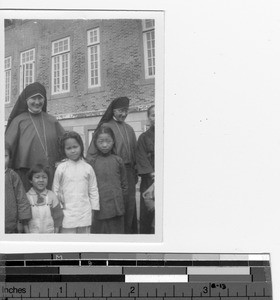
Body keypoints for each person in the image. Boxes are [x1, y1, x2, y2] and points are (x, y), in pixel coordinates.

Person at [86, 96, 138, 234]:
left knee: (129, 206)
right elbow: (92, 153)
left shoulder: (130, 129)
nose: (124, 114)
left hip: (129, 173)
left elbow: (135, 152)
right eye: (120, 110)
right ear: (113, 111)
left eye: (126, 110)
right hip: (110, 172)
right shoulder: (105, 127)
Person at [5, 82, 65, 192]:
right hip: (25, 175)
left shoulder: (52, 121)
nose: (37, 102)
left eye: (40, 98)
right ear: (26, 100)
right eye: (33, 98)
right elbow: (6, 148)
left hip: (50, 175)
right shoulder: (18, 121)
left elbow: (67, 144)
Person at [53, 131, 99, 234]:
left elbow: (93, 189)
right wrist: (58, 210)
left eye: (75, 147)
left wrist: (94, 209)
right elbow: (56, 190)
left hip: (85, 213)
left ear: (81, 146)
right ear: (63, 150)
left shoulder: (88, 168)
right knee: (69, 245)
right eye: (68, 148)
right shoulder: (61, 168)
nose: (73, 151)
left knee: (84, 243)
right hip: (67, 213)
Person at [89, 126, 128, 234]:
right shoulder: (92, 162)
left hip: (117, 207)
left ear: (113, 141)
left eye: (108, 141)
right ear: (95, 142)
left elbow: (124, 185)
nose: (105, 145)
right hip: (99, 208)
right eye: (101, 141)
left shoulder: (118, 160)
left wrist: (121, 203)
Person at [26, 164, 63, 234]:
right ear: (31, 180)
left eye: (44, 177)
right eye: (37, 177)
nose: (41, 180)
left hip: (50, 233)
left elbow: (58, 215)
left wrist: (56, 232)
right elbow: (24, 219)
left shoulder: (52, 196)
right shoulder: (26, 197)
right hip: (32, 234)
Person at [136, 105, 155, 234]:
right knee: (147, 215)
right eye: (153, 115)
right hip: (149, 180)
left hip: (169, 181)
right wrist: (153, 174)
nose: (156, 117)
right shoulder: (143, 138)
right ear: (148, 118)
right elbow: (141, 157)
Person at [5, 142, 31, 234]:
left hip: (9, 225)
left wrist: (21, 221)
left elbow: (22, 199)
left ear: (10, 158)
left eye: (5, 156)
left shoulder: (12, 176)